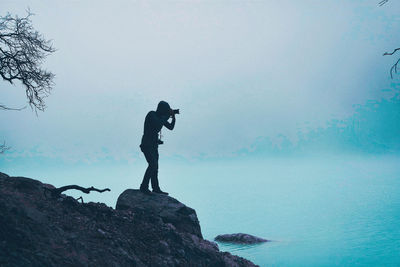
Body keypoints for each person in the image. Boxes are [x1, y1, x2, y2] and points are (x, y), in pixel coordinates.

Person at [139, 101, 176, 195]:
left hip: (154, 145)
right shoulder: (151, 114)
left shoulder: (161, 117)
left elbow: (171, 127)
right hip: (146, 145)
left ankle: (155, 188)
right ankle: (144, 187)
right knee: (153, 165)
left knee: (155, 167)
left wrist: (173, 117)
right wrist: (167, 116)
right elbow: (157, 125)